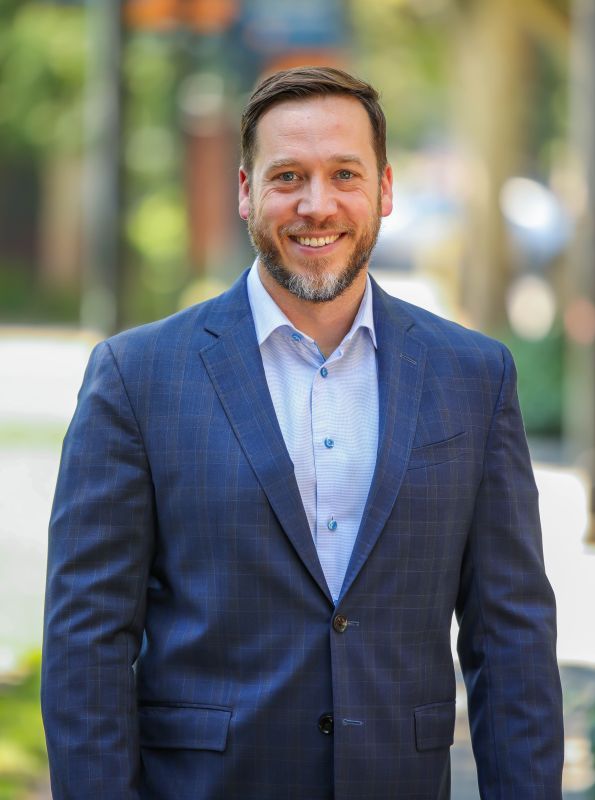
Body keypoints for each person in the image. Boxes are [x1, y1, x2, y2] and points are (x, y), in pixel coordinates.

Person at [42, 66, 563, 799]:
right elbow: (86, 647)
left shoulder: (476, 379)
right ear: (246, 191)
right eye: (288, 176)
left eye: (343, 174)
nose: (317, 205)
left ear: (383, 190)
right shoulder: (136, 378)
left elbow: (510, 643)